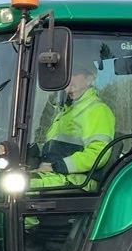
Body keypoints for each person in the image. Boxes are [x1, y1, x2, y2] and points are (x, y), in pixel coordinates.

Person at [31, 57, 116, 189]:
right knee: (0, 181)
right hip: (57, 174)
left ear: (90, 78)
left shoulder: (97, 110)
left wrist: (56, 166)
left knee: (22, 189)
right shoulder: (66, 110)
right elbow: (57, 148)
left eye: (75, 74)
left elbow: (99, 154)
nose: (68, 78)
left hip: (80, 181)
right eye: (66, 74)